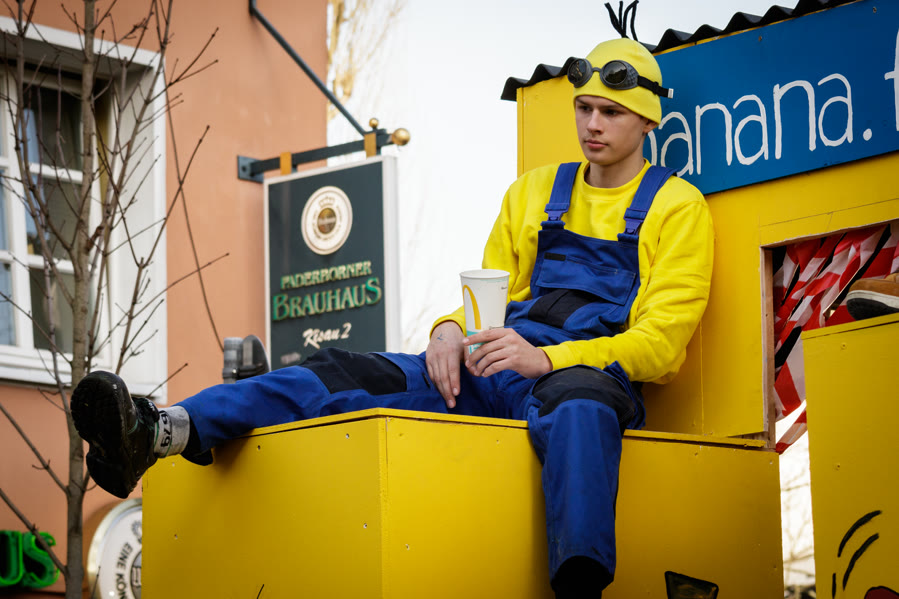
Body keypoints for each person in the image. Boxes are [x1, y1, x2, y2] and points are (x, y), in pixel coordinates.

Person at [72, 38, 713, 597]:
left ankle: (579, 588)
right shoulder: (533, 193)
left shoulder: (678, 208)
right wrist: (448, 331)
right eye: (583, 107)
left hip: (581, 379)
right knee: (342, 370)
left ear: (646, 120)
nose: (592, 124)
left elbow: (660, 346)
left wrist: (547, 359)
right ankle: (164, 430)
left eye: (610, 112)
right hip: (492, 367)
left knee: (582, 414)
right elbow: (484, 300)